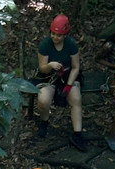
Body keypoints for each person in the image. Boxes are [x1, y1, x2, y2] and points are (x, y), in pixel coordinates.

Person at [36, 14, 87, 152]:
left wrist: (69, 85)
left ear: (64, 35)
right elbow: (42, 68)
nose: (55, 37)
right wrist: (50, 65)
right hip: (49, 77)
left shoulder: (70, 45)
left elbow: (76, 67)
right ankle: (44, 121)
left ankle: (77, 134)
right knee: (43, 100)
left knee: (76, 98)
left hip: (67, 75)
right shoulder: (45, 45)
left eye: (58, 35)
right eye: (53, 33)